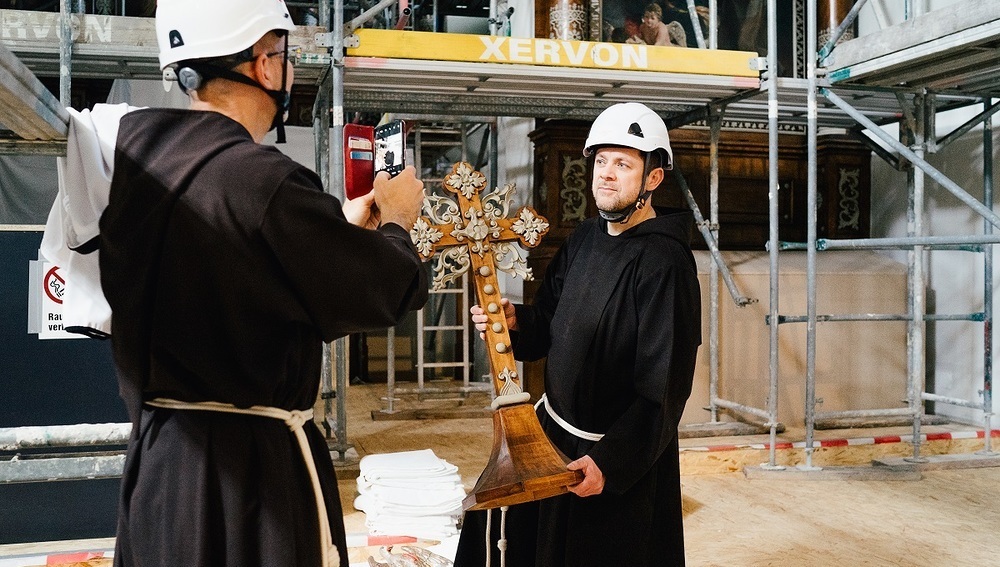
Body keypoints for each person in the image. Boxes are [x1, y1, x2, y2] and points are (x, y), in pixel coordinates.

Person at [98, 1, 428, 566]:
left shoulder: (137, 167)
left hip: (160, 469)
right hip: (247, 486)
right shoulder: (264, 181)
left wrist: (332, 233)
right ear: (265, 65)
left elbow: (236, 270)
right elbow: (390, 288)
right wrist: (397, 220)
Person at [453, 102, 702, 567]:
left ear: (653, 178)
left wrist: (611, 462)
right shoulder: (585, 238)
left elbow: (664, 391)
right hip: (553, 437)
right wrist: (516, 321)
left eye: (624, 164)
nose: (606, 174)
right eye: (601, 161)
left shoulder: (666, 264)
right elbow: (548, 322)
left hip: (611, 459)